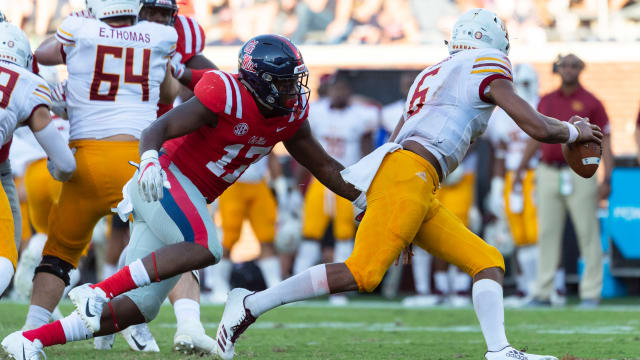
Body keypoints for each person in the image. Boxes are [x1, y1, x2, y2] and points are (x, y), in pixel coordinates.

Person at [213, 9, 602, 360]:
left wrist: (390, 207)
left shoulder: (432, 74)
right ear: (494, 41)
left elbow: (397, 137)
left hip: (411, 176)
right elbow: (535, 125)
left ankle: (499, 350)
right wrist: (574, 129)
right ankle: (251, 304)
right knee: (362, 273)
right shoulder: (487, 65)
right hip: (411, 175)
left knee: (487, 261)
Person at [0, 34, 362, 360]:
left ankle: (29, 340)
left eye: (293, 81)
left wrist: (363, 200)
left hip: (185, 198)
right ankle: (96, 290)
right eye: (283, 83)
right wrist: (148, 161)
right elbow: (158, 128)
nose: (292, 91)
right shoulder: (224, 91)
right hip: (164, 179)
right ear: (258, 81)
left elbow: (326, 167)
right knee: (205, 245)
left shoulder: (291, 115)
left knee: (136, 310)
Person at [21, 0, 176, 337]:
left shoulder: (80, 29)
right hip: (137, 159)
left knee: (59, 253)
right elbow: (170, 92)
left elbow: (44, 54)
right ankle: (161, 324)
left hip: (86, 160)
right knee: (172, 245)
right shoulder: (159, 34)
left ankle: (32, 330)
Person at [91, 1, 219, 353]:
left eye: (166, 15)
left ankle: (116, 312)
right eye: (152, 13)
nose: (160, 21)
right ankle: (114, 311)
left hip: (163, 146)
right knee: (171, 239)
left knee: (172, 239)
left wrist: (184, 72)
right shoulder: (106, 27)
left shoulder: (184, 35)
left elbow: (217, 83)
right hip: (119, 137)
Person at [516, 54, 613, 308]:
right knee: (547, 232)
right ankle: (543, 292)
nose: (568, 69)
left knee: (587, 232)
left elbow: (606, 140)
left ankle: (591, 292)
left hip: (580, 174)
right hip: (547, 170)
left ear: (581, 69)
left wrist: (608, 176)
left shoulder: (592, 102)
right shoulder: (546, 100)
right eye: (565, 65)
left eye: (573, 65)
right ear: (558, 69)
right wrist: (521, 167)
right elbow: (536, 134)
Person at [0, 21, 76, 298]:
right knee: (6, 261)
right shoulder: (29, 82)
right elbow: (65, 163)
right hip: (42, 168)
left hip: (17, 168)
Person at [293, 73, 377, 305]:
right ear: (328, 90)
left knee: (343, 236)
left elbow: (367, 150)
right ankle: (295, 288)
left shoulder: (361, 115)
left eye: (343, 89)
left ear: (349, 91)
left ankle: (339, 290)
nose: (339, 93)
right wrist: (295, 185)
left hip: (347, 182)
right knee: (309, 234)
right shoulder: (316, 111)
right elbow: (304, 148)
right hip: (319, 182)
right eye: (335, 88)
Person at [486, 63, 542, 304]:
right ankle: (525, 287)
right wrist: (498, 187)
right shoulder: (500, 117)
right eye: (519, 84)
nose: (523, 89)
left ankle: (551, 287)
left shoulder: (541, 106)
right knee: (519, 236)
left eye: (527, 83)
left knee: (538, 233)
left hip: (535, 174)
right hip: (511, 176)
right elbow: (499, 153)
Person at [209, 154, 287, 303]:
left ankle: (274, 285)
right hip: (232, 182)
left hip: (258, 183)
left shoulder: (267, 130)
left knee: (267, 236)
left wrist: (280, 185)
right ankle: (218, 286)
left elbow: (271, 155)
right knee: (229, 236)